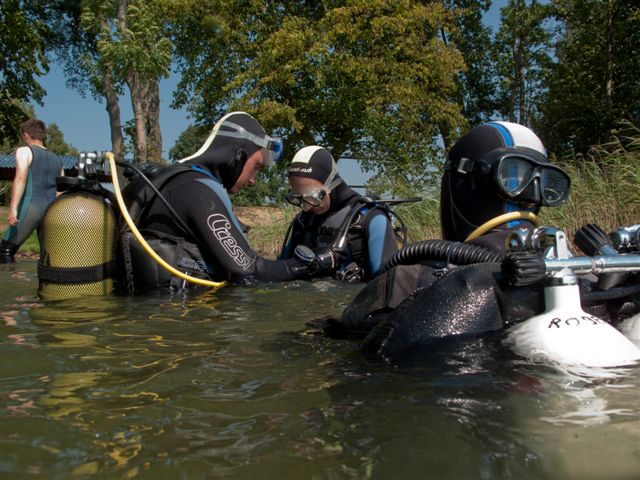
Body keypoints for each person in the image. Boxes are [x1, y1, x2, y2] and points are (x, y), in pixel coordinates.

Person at [320, 122, 639, 361]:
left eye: (545, 183)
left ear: (455, 188)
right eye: (513, 177)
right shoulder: (589, 278)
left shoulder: (411, 278)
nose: (531, 194)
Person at [119, 112, 343, 291]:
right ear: (238, 154)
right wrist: (311, 265)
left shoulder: (164, 181)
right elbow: (249, 270)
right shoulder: (196, 189)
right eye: (256, 167)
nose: (254, 180)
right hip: (180, 331)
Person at [279, 146, 399, 283]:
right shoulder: (303, 220)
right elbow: (281, 269)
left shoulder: (372, 219)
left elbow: (388, 284)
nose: (306, 207)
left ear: (331, 184)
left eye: (312, 198)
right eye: (297, 198)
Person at [1, 119, 64, 263]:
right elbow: (60, 190)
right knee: (48, 258)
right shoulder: (57, 159)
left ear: (25, 135)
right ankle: (44, 285)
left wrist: (13, 208)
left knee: (4, 252)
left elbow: (21, 178)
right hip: (52, 210)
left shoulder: (25, 151)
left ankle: (13, 284)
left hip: (31, 207)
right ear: (42, 136)